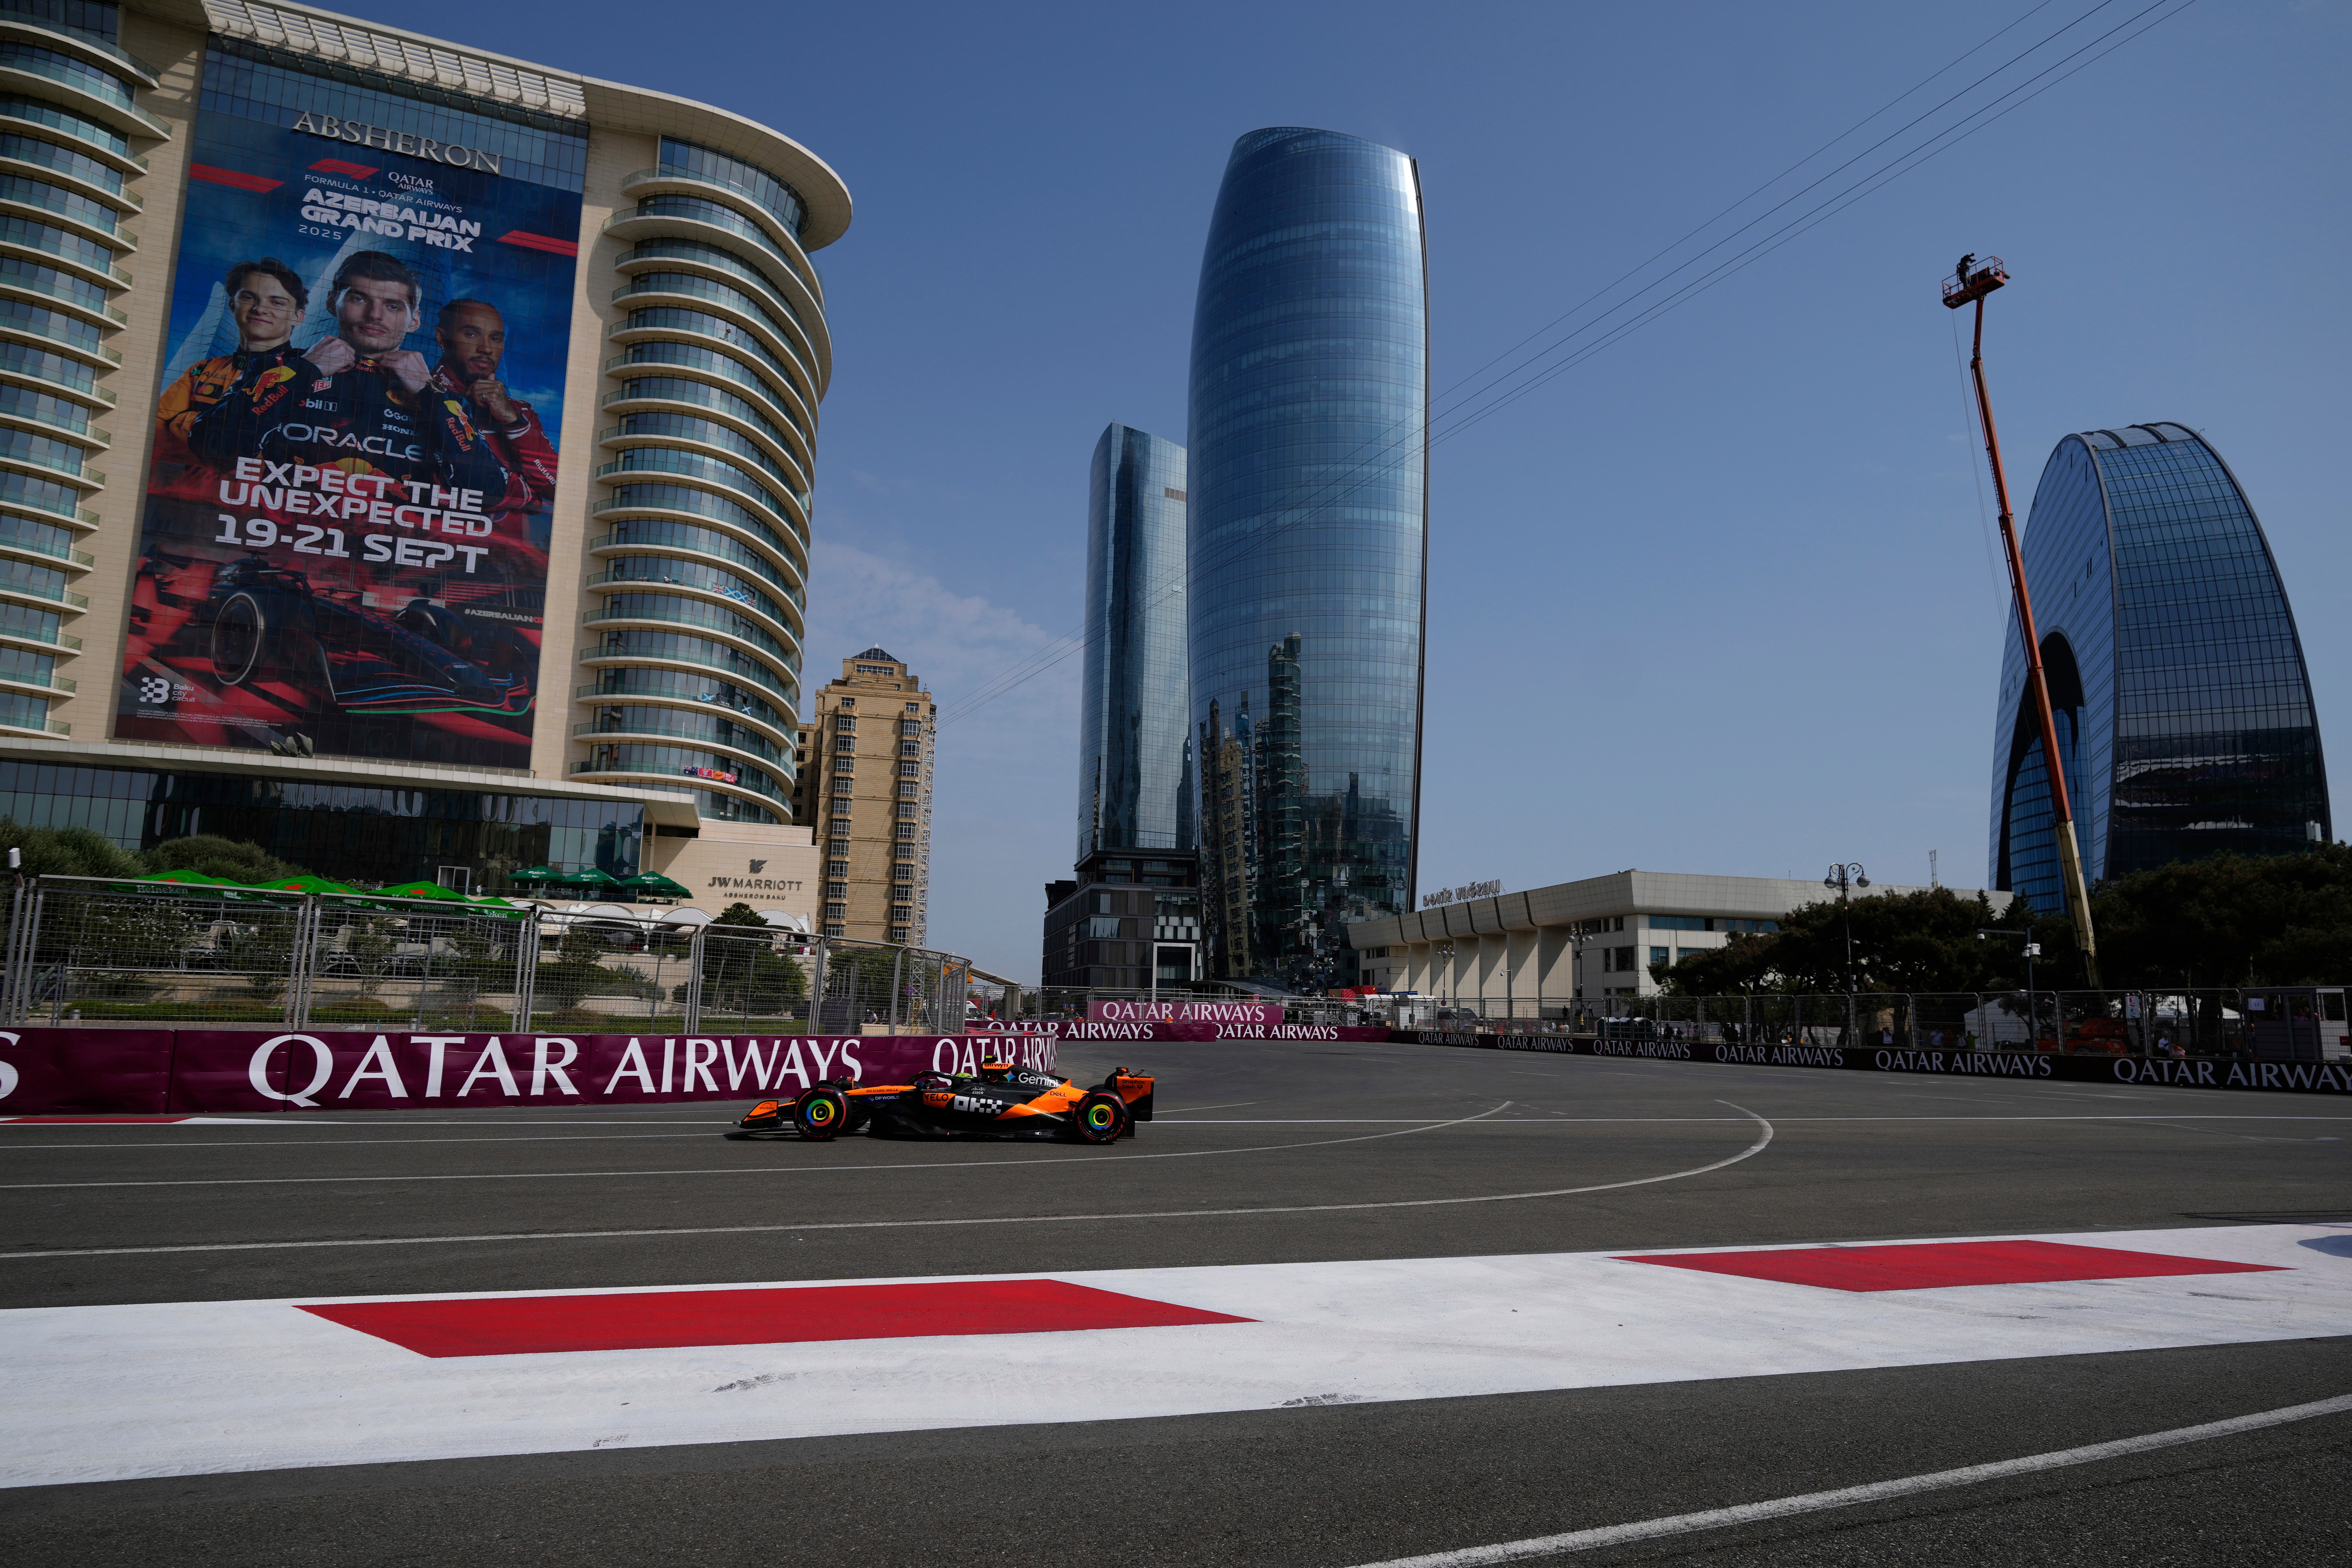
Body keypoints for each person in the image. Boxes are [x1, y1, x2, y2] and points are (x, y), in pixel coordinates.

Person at [191, 250, 509, 502]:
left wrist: (431, 396)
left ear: (415, 321)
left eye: (393, 306)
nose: (375, 316)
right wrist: (305, 372)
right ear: (332, 303)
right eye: (359, 299)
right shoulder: (280, 370)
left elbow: (489, 490)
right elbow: (212, 446)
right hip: (276, 541)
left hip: (381, 559)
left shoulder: (441, 397)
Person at [152, 257, 310, 472]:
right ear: (233, 305)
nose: (260, 309)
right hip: (183, 496)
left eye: (277, 303)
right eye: (248, 297)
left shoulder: (309, 374)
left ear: (297, 317)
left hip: (264, 500)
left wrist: (188, 425)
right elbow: (156, 436)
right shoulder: (202, 370)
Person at [429, 298, 558, 541]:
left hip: (504, 568)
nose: (486, 349)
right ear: (442, 338)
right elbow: (445, 488)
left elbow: (553, 487)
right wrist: (527, 495)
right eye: (471, 334)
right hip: (428, 551)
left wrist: (511, 421)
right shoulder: (417, 395)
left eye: (496, 339)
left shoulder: (519, 412)